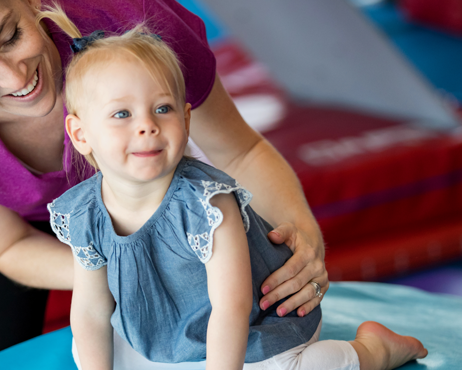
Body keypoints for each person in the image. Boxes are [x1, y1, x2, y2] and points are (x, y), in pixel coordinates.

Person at [0, 0, 331, 367]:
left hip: (142, 212)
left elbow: (239, 151)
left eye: (11, 35)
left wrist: (300, 232)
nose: (14, 76)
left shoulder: (135, 26)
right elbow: (7, 246)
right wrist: (114, 270)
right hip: (12, 232)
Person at [44, 8, 428, 369]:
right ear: (80, 134)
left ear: (186, 118)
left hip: (257, 327)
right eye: (122, 114)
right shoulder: (85, 212)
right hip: (167, 330)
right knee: (89, 347)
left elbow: (231, 307)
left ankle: (374, 349)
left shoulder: (207, 203)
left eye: (163, 108)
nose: (147, 125)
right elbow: (91, 309)